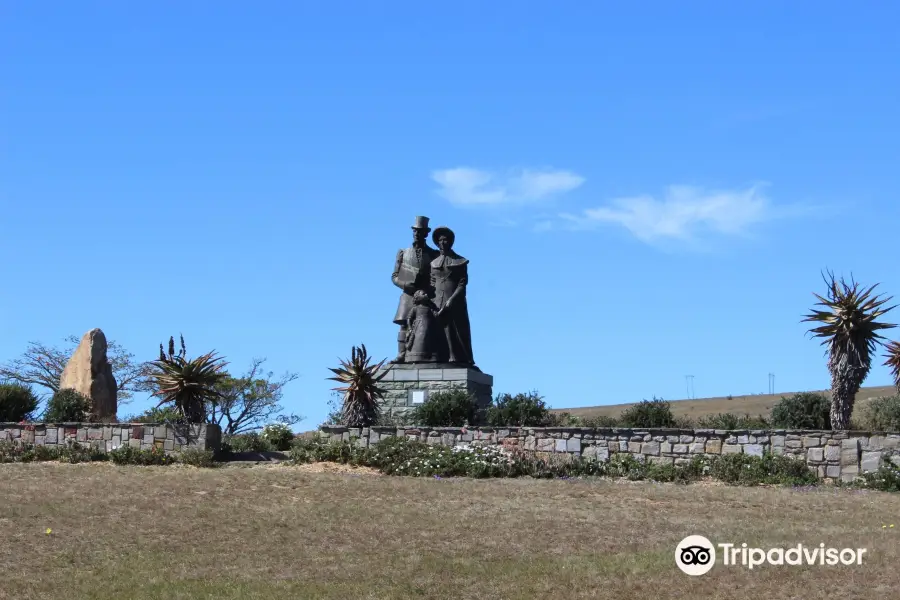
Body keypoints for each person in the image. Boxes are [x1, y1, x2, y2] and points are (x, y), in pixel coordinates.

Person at [390, 216, 439, 362]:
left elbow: (436, 277)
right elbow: (394, 276)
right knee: (404, 324)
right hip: (407, 295)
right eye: (415, 231)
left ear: (426, 233)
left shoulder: (433, 254)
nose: (417, 234)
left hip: (425, 296)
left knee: (427, 325)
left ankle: (427, 353)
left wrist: (426, 291)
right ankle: (401, 353)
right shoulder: (403, 253)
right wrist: (405, 285)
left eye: (420, 231)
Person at [430, 226, 476, 367]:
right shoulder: (433, 263)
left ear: (450, 242)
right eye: (440, 240)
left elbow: (462, 284)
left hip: (455, 301)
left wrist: (451, 301)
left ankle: (460, 357)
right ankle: (439, 356)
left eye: (445, 240)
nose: (443, 243)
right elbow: (431, 282)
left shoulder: (460, 261)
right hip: (437, 299)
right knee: (439, 328)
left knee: (457, 330)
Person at [404, 290, 441, 362]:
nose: (426, 294)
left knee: (428, 340)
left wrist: (442, 310)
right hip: (418, 327)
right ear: (417, 297)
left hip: (429, 327)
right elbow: (409, 318)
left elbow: (436, 315)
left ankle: (429, 357)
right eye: (423, 294)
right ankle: (417, 357)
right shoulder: (415, 308)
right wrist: (410, 327)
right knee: (419, 340)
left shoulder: (429, 308)